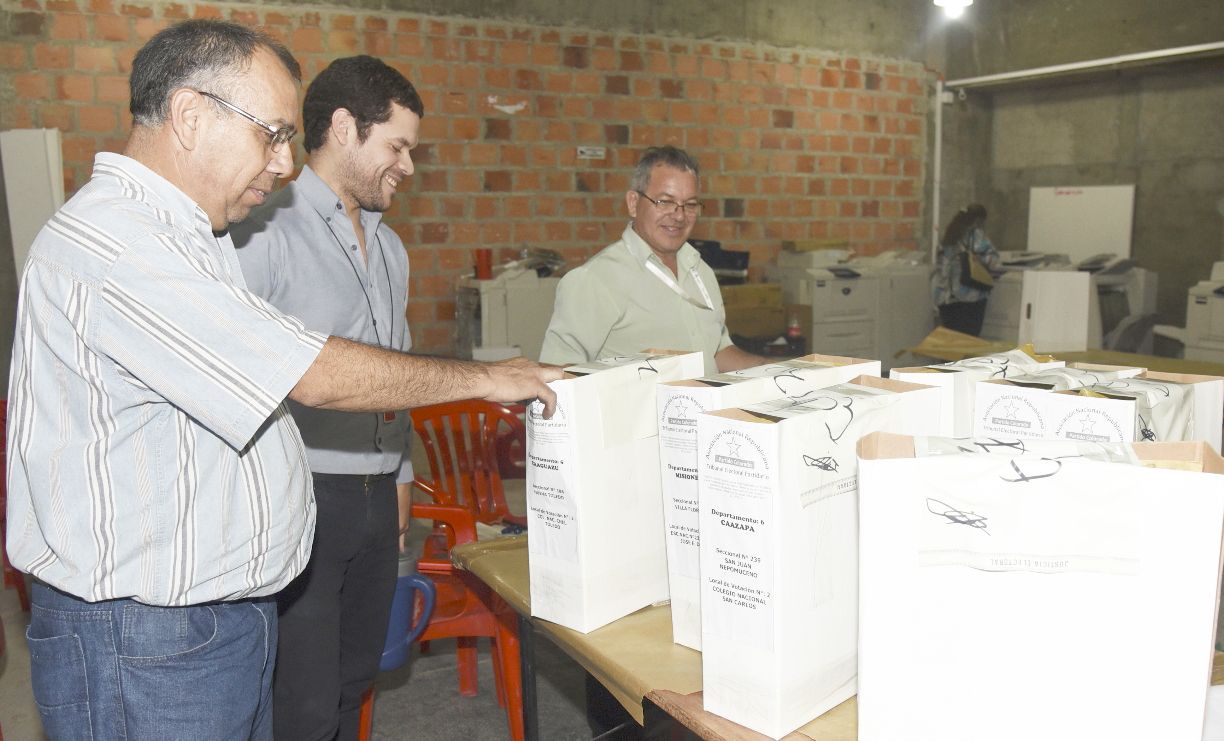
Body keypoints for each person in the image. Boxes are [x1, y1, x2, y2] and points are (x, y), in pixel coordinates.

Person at [5, 20, 560, 741]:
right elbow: (313, 373)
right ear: (190, 116)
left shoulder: (184, 237)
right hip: (147, 636)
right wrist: (488, 378)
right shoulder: (124, 244)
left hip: (205, 618)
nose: (284, 162)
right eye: (271, 134)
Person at [228, 55, 424, 741]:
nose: (407, 166)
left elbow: (395, 378)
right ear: (344, 127)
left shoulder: (392, 249)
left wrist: (400, 478)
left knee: (353, 682)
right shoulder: (262, 230)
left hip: (376, 498)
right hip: (300, 495)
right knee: (301, 705)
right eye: (396, 146)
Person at [539, 145, 764, 375]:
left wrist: (773, 370)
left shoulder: (700, 271)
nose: (679, 215)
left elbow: (715, 352)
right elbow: (557, 373)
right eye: (665, 202)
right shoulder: (595, 280)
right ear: (633, 203)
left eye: (690, 205)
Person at [932, 203, 1001, 336]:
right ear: (979, 220)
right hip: (969, 297)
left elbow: (940, 266)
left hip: (945, 299)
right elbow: (994, 263)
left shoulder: (947, 235)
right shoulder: (976, 236)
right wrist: (980, 260)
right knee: (968, 342)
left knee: (951, 342)